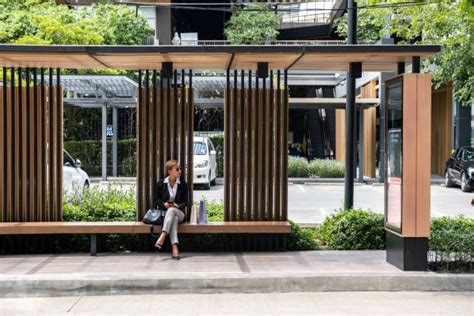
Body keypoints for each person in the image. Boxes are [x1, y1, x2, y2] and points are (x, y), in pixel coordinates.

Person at [154, 160, 188, 260]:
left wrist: (178, 206)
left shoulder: (183, 184)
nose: (180, 171)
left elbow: (186, 202)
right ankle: (175, 247)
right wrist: (164, 204)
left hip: (180, 212)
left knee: (172, 211)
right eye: (177, 169)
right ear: (169, 171)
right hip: (167, 214)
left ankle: (163, 234)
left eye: (180, 169)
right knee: (174, 218)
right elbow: (156, 200)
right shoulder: (161, 183)